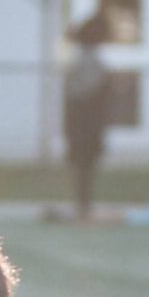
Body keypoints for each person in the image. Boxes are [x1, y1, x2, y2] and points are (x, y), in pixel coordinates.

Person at [62, 13, 111, 222]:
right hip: (86, 123)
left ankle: (83, 206)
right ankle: (83, 207)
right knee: (84, 166)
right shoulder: (87, 61)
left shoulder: (81, 59)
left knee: (84, 166)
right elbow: (85, 92)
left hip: (84, 123)